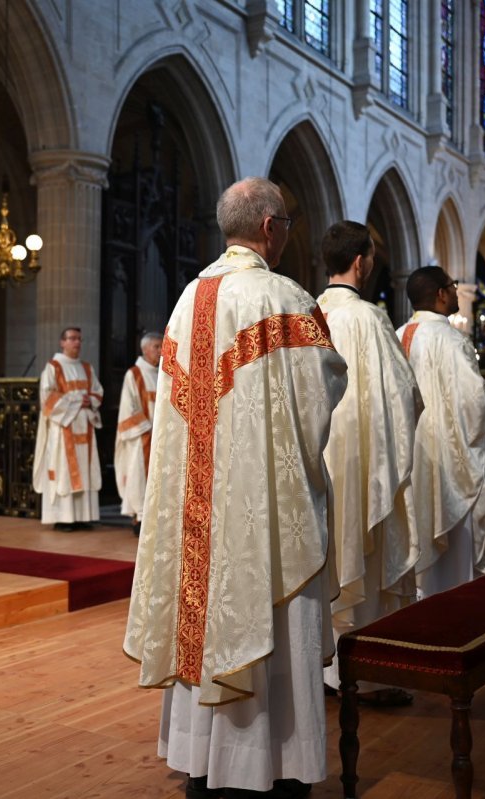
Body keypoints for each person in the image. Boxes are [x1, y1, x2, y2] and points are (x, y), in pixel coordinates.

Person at [124, 177, 347, 799]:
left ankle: (205, 763)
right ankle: (269, 768)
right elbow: (319, 395)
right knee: (266, 614)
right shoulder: (282, 298)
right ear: (270, 228)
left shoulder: (186, 299)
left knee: (206, 609)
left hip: (199, 509)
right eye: (288, 227)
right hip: (259, 508)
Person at [315, 222, 420, 708]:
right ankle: (367, 676)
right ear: (360, 262)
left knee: (327, 553)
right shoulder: (370, 319)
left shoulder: (307, 314)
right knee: (365, 553)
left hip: (319, 459)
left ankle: (321, 665)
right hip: (362, 458)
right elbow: (403, 395)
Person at [395, 266, 485, 597]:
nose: (456, 292)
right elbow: (474, 400)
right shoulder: (452, 339)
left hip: (407, 459)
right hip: (448, 465)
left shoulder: (396, 336)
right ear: (441, 294)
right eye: (453, 286)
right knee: (455, 577)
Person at [32, 327, 104, 531]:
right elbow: (47, 398)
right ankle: (63, 518)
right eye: (72, 339)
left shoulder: (87, 368)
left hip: (85, 426)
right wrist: (76, 400)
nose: (77, 343)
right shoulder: (53, 367)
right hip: (63, 428)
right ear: (62, 343)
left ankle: (83, 516)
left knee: (85, 470)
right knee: (64, 470)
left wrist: (89, 400)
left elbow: (98, 392)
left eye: (79, 339)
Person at [114, 332, 161, 537]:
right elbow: (128, 407)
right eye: (156, 347)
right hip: (143, 436)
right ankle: (139, 518)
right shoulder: (134, 374)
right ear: (145, 349)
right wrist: (148, 427)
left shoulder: (164, 374)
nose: (161, 351)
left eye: (162, 347)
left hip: (162, 438)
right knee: (139, 479)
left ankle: (156, 517)